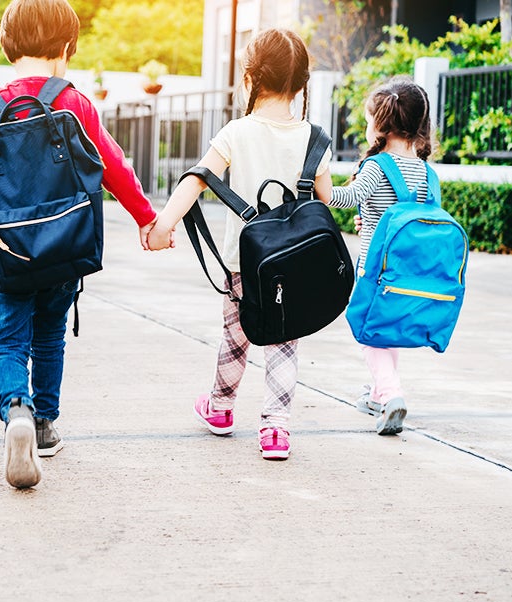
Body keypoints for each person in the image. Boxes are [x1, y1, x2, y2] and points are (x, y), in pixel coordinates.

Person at [0, 0, 157, 488]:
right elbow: (115, 167)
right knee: (50, 334)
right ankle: (45, 426)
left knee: (7, 339)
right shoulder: (75, 103)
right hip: (66, 248)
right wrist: (148, 219)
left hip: (8, 251)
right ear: (67, 48)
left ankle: (17, 412)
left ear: (8, 47)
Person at [147, 29, 332, 461]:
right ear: (302, 84)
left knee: (236, 337)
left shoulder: (236, 131)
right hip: (296, 265)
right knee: (285, 340)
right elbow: (329, 200)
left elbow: (197, 177)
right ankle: (276, 430)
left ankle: (221, 408)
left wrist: (163, 225)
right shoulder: (314, 139)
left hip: (244, 264)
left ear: (248, 80)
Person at [325, 78, 435, 435]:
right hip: (409, 270)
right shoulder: (425, 171)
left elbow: (344, 198)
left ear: (379, 124)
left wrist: (319, 178)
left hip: (374, 268)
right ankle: (376, 394)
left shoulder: (376, 167)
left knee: (369, 332)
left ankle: (391, 394)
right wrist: (370, 218)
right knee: (387, 329)